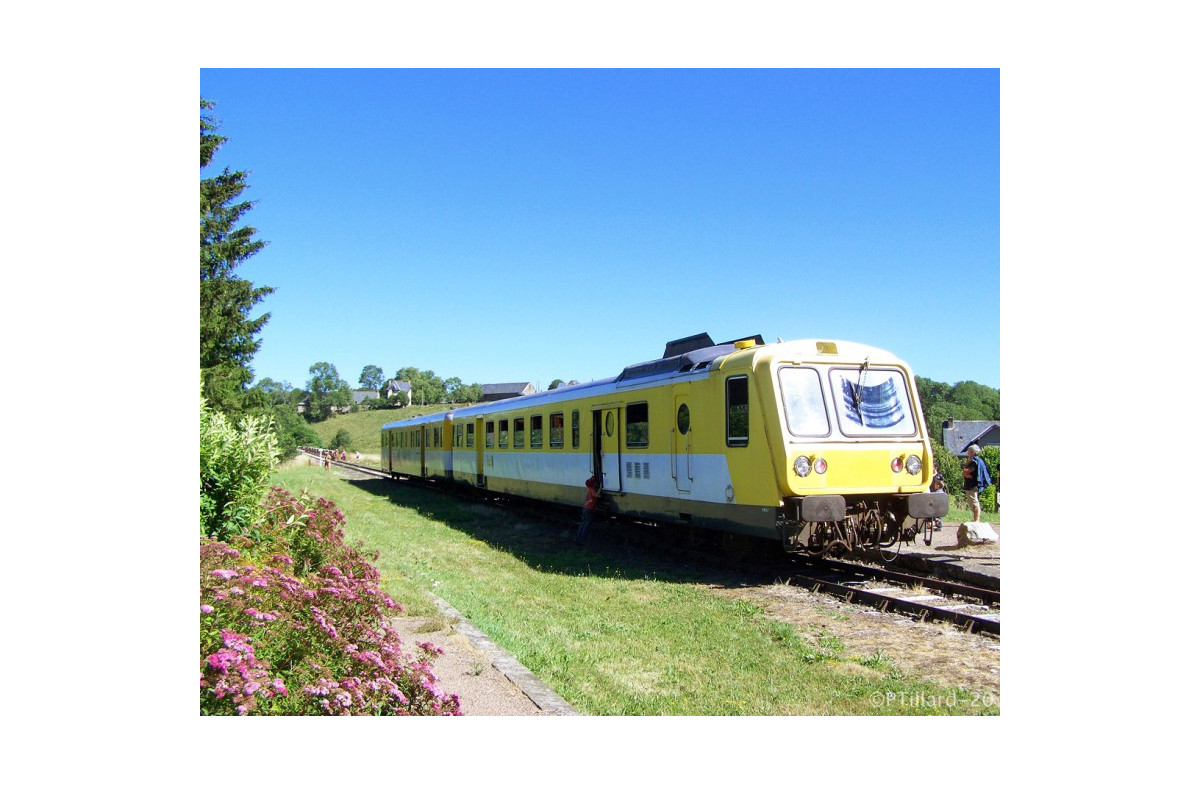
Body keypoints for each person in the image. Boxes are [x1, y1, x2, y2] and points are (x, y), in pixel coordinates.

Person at [962, 444, 992, 522]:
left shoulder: (973, 461)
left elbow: (966, 472)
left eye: (969, 452)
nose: (967, 453)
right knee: (974, 503)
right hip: (974, 485)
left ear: (972, 452)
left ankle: (976, 521)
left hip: (971, 486)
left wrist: (966, 472)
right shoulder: (979, 461)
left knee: (974, 503)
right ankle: (976, 520)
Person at [574, 475, 601, 544]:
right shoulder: (592, 490)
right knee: (586, 525)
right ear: (593, 484)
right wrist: (600, 487)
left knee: (583, 523)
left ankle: (577, 537)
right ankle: (581, 540)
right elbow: (596, 495)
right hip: (589, 509)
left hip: (585, 508)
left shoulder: (589, 489)